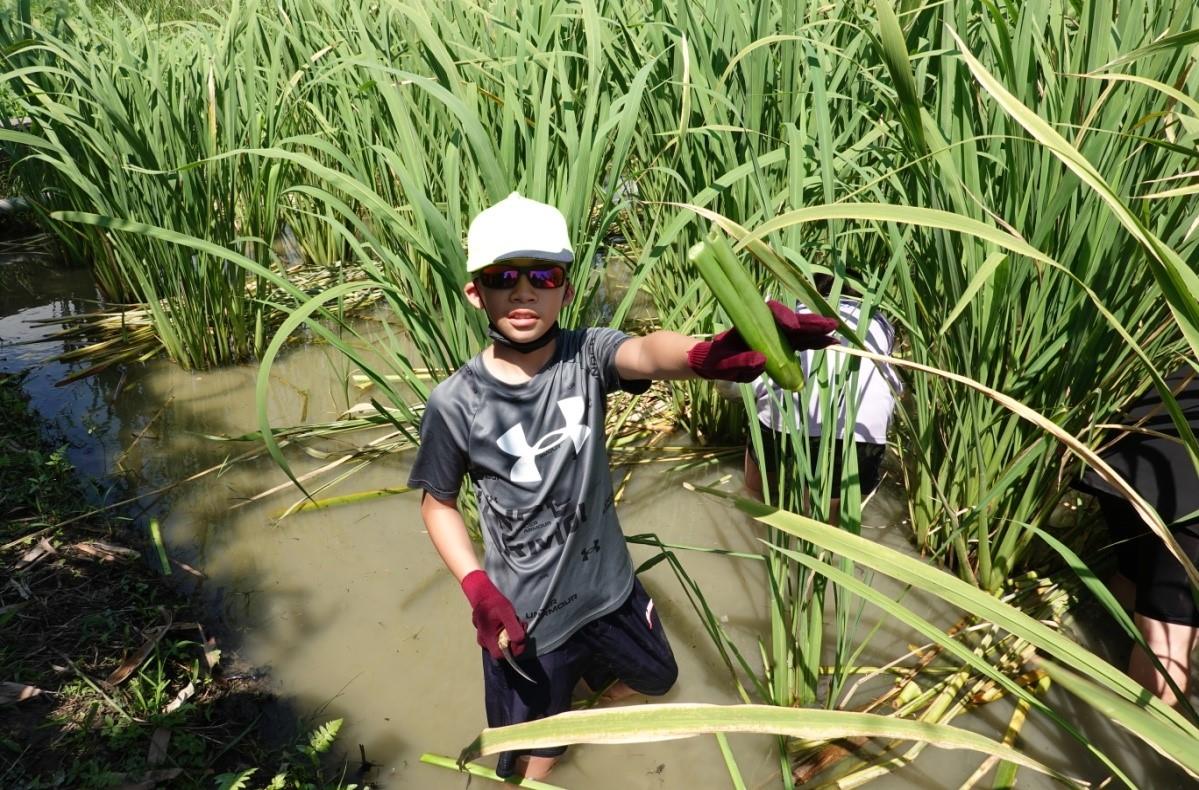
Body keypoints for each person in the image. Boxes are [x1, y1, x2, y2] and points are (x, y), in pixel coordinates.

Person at [405, 192, 837, 780]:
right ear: (476, 292)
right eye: (505, 276)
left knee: (656, 678)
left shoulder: (587, 355)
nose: (525, 290)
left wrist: (708, 352)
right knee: (531, 761)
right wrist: (478, 588)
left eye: (543, 274)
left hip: (609, 589)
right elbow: (439, 502)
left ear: (564, 286)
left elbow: (651, 352)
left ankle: (592, 688)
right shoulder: (457, 403)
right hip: (527, 617)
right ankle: (559, 717)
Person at [1077, 365, 1199, 708]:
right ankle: (1144, 740)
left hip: (1133, 448)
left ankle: (1108, 645)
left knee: (1133, 576)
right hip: (1188, 498)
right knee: (1168, 644)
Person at [743, 276, 899, 524]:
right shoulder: (878, 321)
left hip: (782, 408)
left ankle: (759, 534)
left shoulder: (791, 308)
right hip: (861, 423)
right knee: (826, 520)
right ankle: (821, 556)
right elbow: (892, 382)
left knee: (756, 491)